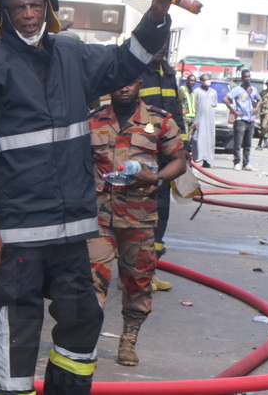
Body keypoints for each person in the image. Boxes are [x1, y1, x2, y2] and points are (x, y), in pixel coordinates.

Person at [0, 0, 174, 395]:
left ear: (49, 5)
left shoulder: (72, 54)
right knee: (17, 323)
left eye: (36, 4)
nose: (30, 14)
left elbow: (125, 62)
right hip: (18, 229)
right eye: (19, 7)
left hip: (72, 228)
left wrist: (155, 17)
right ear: (3, 14)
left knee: (83, 317)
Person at [88, 77, 185, 367]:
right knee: (90, 278)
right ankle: (85, 339)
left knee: (138, 281)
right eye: (118, 82)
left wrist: (155, 178)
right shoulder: (92, 120)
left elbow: (179, 160)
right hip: (98, 214)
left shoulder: (159, 120)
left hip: (139, 215)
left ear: (139, 84)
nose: (124, 87)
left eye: (130, 82)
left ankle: (129, 338)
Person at [138, 44, 190, 291]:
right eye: (155, 46)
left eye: (163, 47)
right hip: (143, 148)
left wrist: (185, 145)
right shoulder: (134, 71)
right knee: (139, 214)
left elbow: (176, 113)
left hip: (167, 150)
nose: (160, 50)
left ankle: (150, 271)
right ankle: (131, 272)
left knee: (160, 211)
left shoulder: (168, 74)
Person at [223, 69, 261, 171]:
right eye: (245, 77)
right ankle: (237, 163)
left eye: (249, 77)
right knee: (238, 143)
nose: (248, 79)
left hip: (251, 120)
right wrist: (234, 111)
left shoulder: (253, 89)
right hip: (241, 119)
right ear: (242, 78)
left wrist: (256, 108)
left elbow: (259, 100)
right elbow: (225, 99)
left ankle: (246, 164)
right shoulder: (237, 90)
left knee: (248, 143)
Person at [192, 73, 217, 168]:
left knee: (209, 139)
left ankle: (207, 160)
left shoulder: (213, 92)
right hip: (199, 119)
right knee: (197, 138)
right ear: (201, 82)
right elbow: (194, 106)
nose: (208, 81)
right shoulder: (196, 92)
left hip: (210, 121)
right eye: (206, 80)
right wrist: (194, 119)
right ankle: (196, 159)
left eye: (209, 79)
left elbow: (213, 105)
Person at [179, 73, 197, 140]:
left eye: (194, 81)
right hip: (185, 117)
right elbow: (177, 101)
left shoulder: (192, 92)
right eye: (191, 80)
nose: (193, 82)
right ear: (187, 80)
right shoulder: (182, 89)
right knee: (184, 138)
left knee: (189, 138)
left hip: (192, 118)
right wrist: (181, 110)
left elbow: (194, 104)